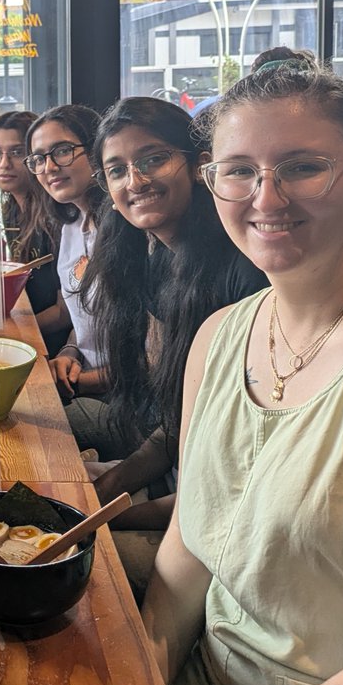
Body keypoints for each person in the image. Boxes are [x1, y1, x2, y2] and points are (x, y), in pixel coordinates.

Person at [143, 61, 343, 685]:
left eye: (303, 167)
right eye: (240, 171)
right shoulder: (218, 336)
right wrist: (139, 677)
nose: (267, 198)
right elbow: (189, 549)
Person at [79, 97, 266, 555]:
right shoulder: (156, 256)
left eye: (153, 159)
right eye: (118, 170)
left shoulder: (243, 273)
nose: (135, 180)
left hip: (227, 515)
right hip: (179, 468)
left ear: (200, 165)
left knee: (93, 564)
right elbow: (177, 422)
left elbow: (239, 475)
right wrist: (101, 497)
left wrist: (107, 517)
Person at [24, 105, 108, 401]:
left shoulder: (126, 230)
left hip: (120, 398)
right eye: (38, 159)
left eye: (62, 151)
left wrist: (79, 382)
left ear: (98, 149)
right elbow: (79, 316)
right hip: (85, 381)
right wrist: (70, 351)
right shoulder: (72, 224)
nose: (49, 167)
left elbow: (152, 361)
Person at [0, 110, 63, 345]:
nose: (4, 164)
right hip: (30, 327)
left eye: (16, 152)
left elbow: (65, 312)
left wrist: (11, 334)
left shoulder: (56, 217)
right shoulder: (11, 209)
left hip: (58, 345)